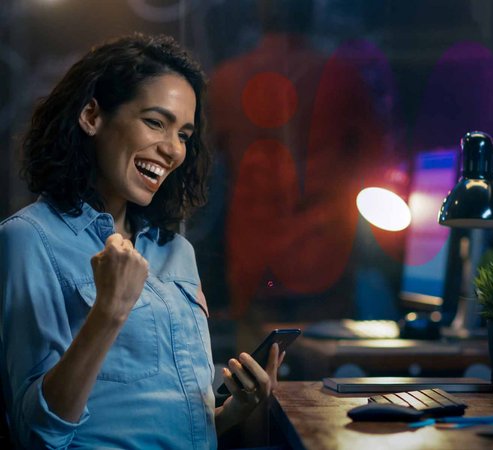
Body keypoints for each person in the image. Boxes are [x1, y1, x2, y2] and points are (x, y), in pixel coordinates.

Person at [0, 33, 283, 449]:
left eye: (184, 135)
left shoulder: (177, 252)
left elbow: (161, 423)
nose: (173, 150)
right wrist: (109, 311)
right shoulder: (26, 240)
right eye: (155, 122)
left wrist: (230, 414)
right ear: (92, 116)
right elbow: (37, 435)